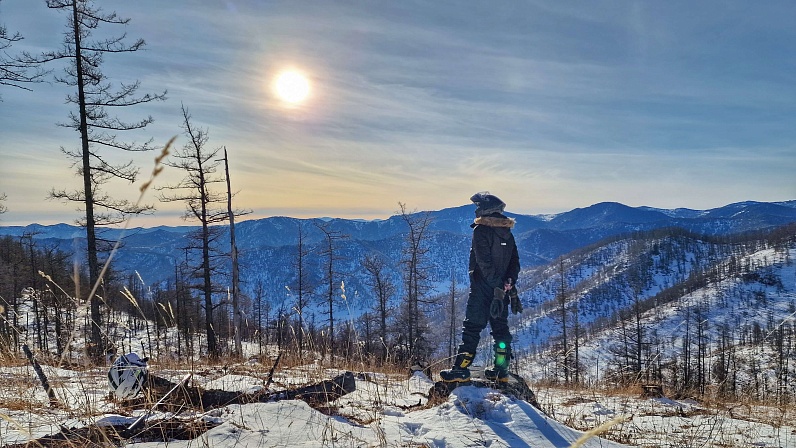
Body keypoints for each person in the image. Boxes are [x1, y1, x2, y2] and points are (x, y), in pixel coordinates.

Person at [440, 192, 522, 383]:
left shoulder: (481, 230)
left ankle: (460, 369)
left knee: (471, 328)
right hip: (501, 292)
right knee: (500, 330)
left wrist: (494, 284)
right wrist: (507, 283)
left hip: (482, 289)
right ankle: (501, 369)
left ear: (487, 209)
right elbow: (515, 263)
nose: (476, 210)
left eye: (478, 206)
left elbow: (483, 263)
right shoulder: (507, 232)